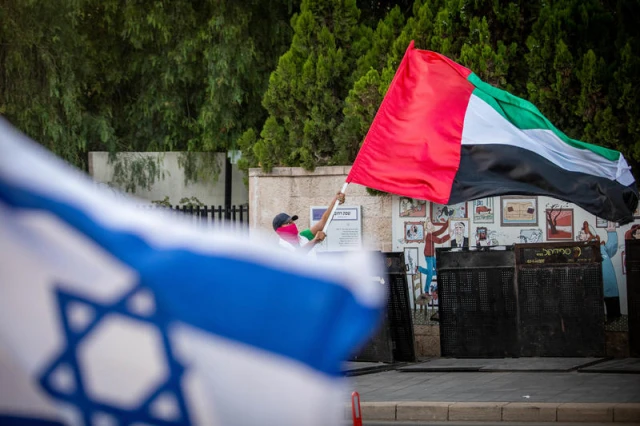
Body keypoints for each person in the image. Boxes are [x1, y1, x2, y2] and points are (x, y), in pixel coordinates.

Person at [273, 193, 345, 254]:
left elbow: (324, 222)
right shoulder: (279, 247)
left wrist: (334, 203)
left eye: (292, 221)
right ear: (279, 230)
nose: (292, 224)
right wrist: (314, 241)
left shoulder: (304, 236)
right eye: (288, 223)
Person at [577, 221, 620, 320]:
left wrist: (612, 233)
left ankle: (613, 321)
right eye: (581, 234)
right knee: (593, 311)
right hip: (592, 286)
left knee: (612, 310)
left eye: (583, 234)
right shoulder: (580, 251)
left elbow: (612, 248)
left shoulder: (601, 248)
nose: (581, 236)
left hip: (608, 284)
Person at [417, 218, 450, 298]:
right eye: (428, 225)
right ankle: (426, 291)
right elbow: (439, 241)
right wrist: (449, 235)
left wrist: (448, 222)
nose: (430, 225)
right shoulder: (429, 235)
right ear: (426, 227)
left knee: (438, 270)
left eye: (431, 224)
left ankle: (419, 268)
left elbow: (441, 231)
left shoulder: (432, 234)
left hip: (431, 256)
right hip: (428, 256)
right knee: (431, 274)